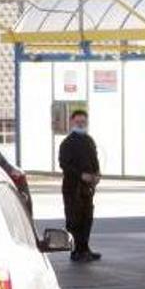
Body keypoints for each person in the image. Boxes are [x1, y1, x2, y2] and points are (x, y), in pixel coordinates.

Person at [58, 109, 101, 263]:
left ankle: (85, 248)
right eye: (78, 122)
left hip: (87, 188)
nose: (81, 124)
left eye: (83, 122)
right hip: (72, 188)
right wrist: (81, 175)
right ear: (72, 122)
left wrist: (97, 174)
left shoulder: (89, 140)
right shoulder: (67, 143)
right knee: (74, 219)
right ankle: (76, 251)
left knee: (87, 218)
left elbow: (95, 159)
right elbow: (64, 164)